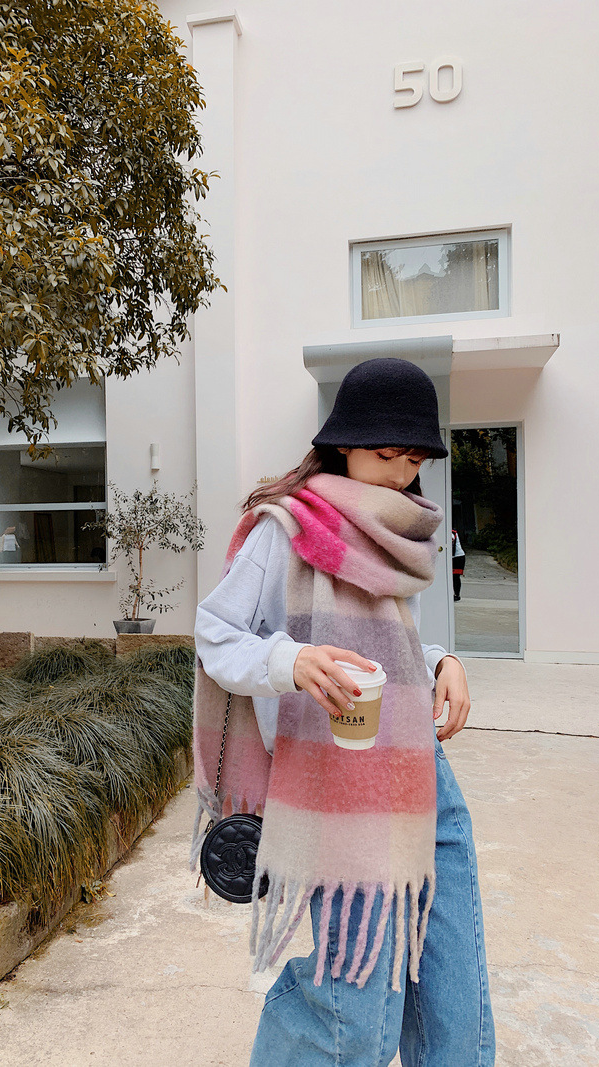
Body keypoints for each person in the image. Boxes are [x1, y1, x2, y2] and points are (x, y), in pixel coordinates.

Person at [192, 358, 495, 1066]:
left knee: (454, 1003)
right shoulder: (286, 529)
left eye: (413, 458)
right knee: (353, 1015)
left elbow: (390, 644)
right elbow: (216, 633)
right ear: (345, 444)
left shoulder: (398, 534)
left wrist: (441, 660)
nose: (399, 472)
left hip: (424, 778)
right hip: (339, 790)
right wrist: (291, 661)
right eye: (385, 454)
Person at [452, 528, 466, 601]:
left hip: (458, 557)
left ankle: (457, 595)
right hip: (455, 557)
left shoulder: (452, 533)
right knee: (453, 577)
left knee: (455, 577)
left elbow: (451, 542)